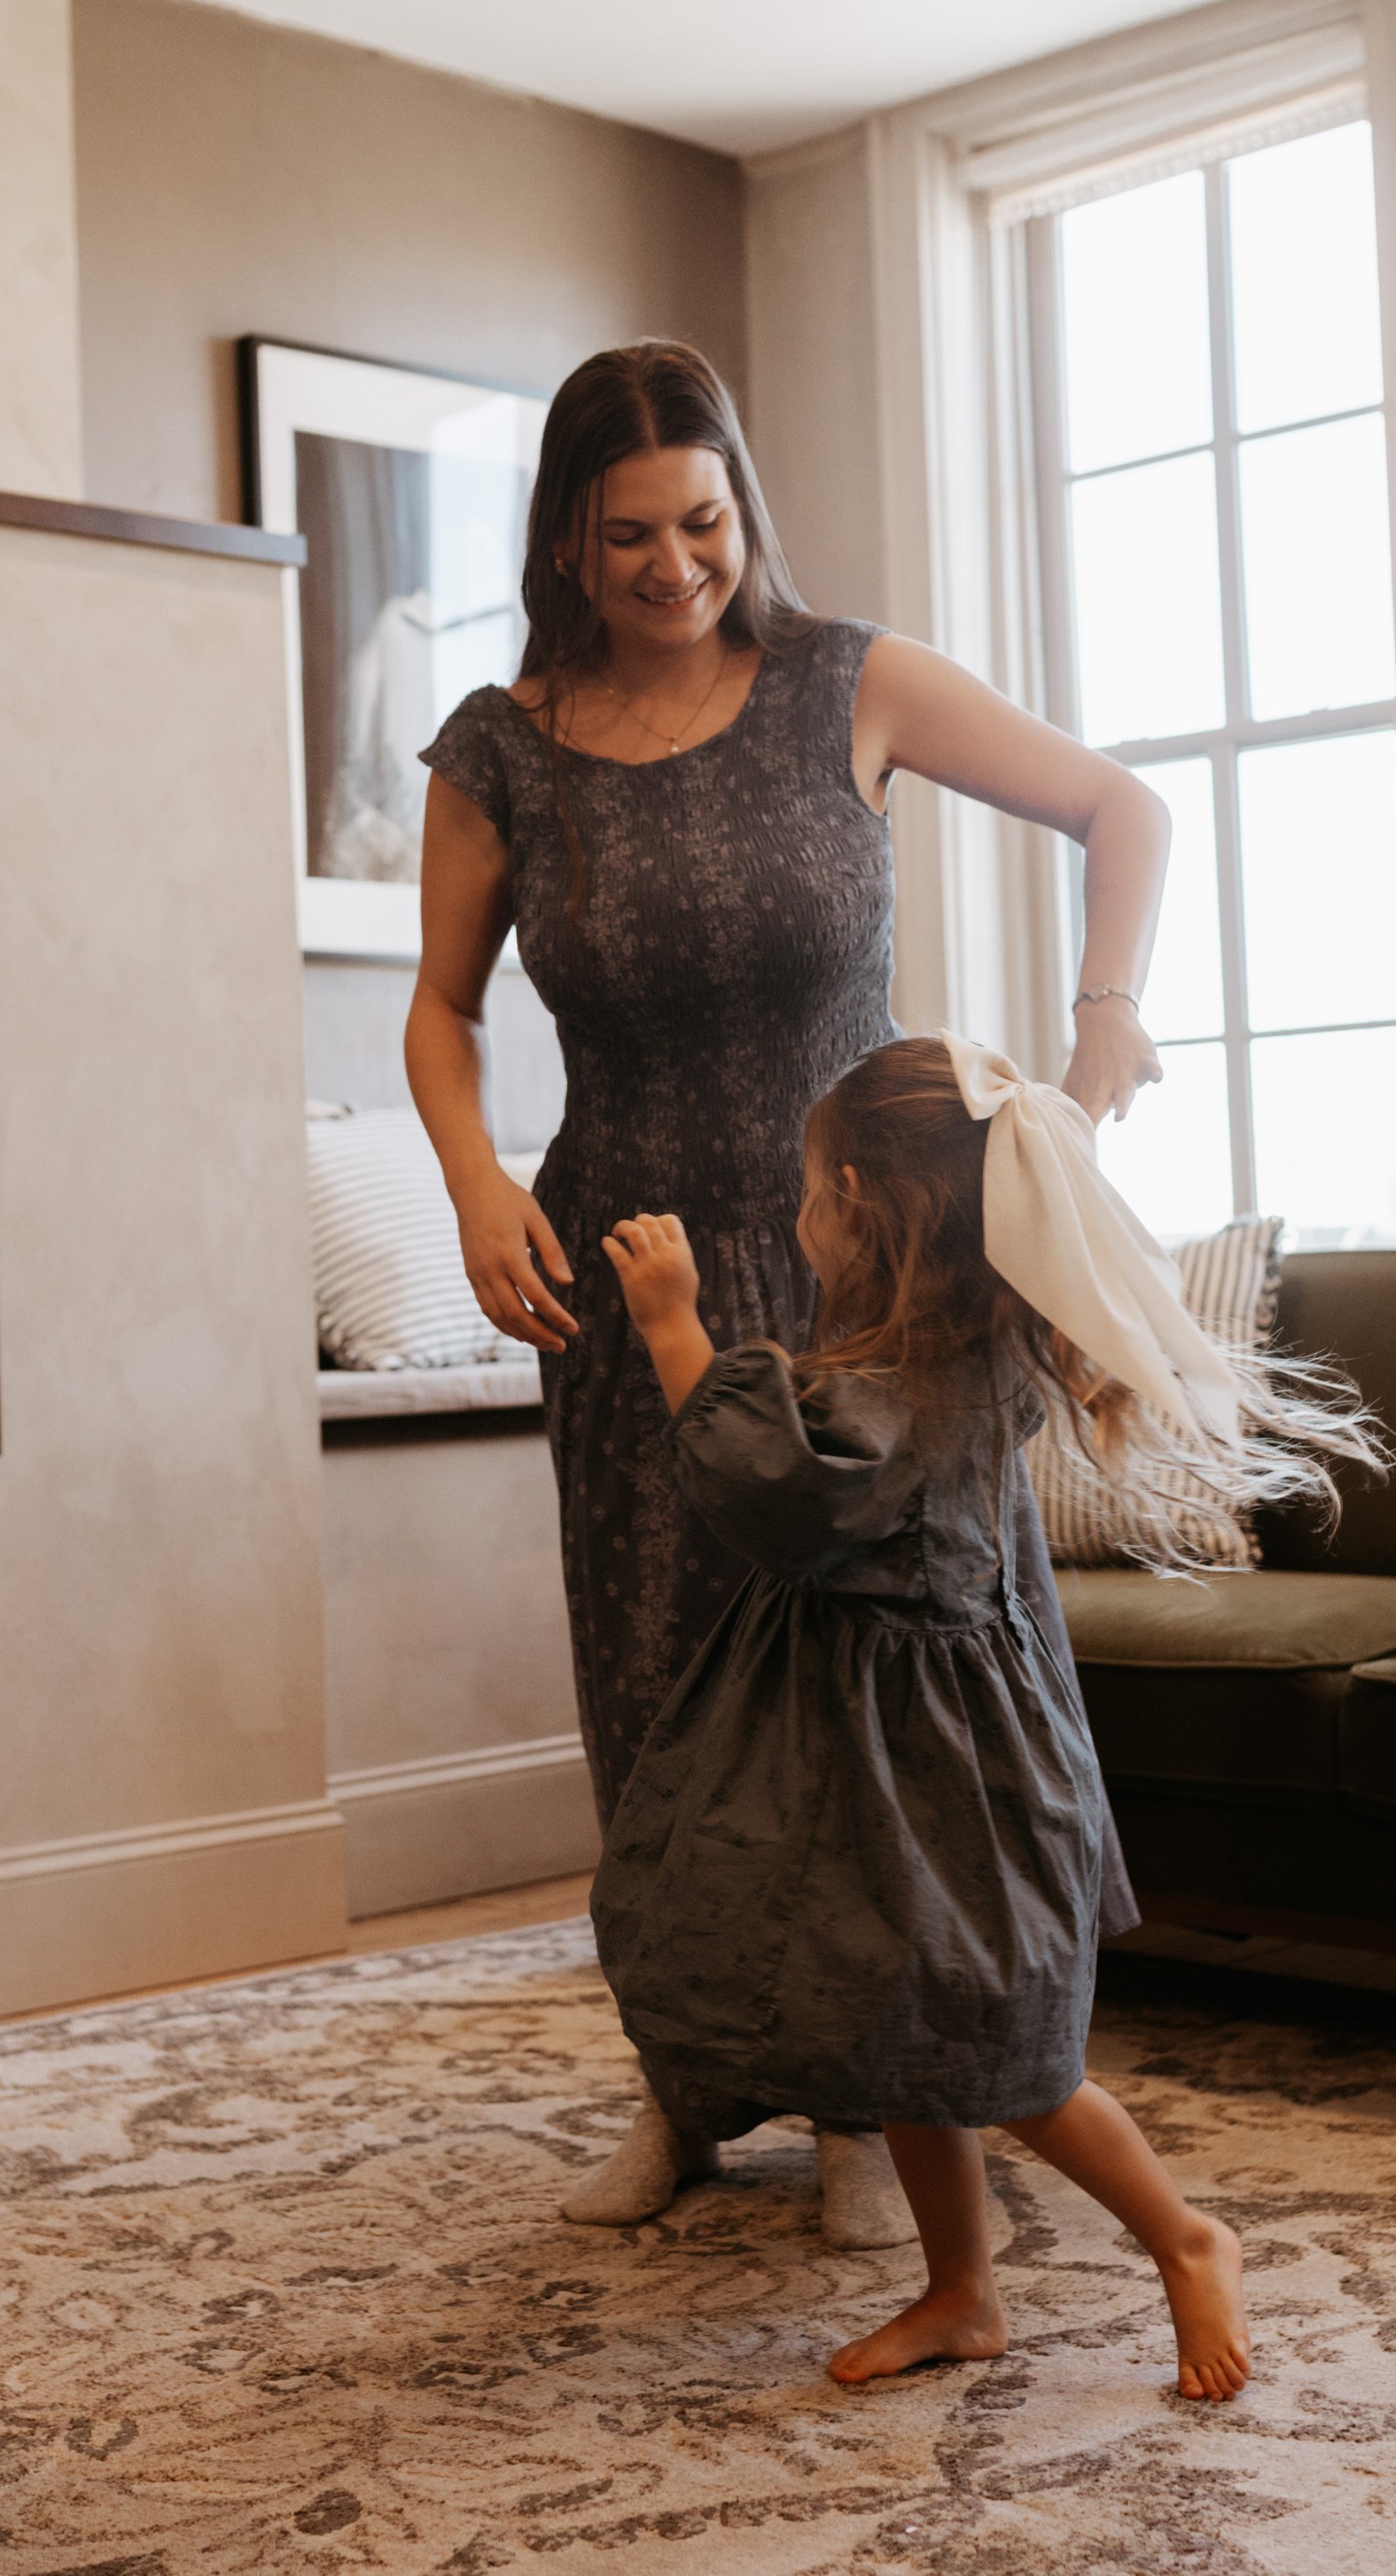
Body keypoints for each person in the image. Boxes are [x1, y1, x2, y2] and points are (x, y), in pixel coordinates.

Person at [406, 339, 1174, 2245]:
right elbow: (439, 1008)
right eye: (627, 536)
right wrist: (476, 1179)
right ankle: (685, 2083)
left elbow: (1120, 808)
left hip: (874, 1271)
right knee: (667, 1692)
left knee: (891, 1697)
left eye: (703, 521)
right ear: (564, 543)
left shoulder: (853, 679)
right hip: (632, 1274)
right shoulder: (500, 749)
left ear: (741, 507)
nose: (674, 565)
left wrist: (1103, 1013)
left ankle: (880, 2097)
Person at [590, 1034, 1372, 2393]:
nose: (797, 1213)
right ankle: (960, 2293)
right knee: (903, 2024)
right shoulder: (964, 1347)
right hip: (900, 1745)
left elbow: (776, 1498)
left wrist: (674, 1327)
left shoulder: (894, 1389)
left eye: (808, 1190)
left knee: (1009, 2056)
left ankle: (1187, 2239)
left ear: (857, 1202)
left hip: (932, 1763)